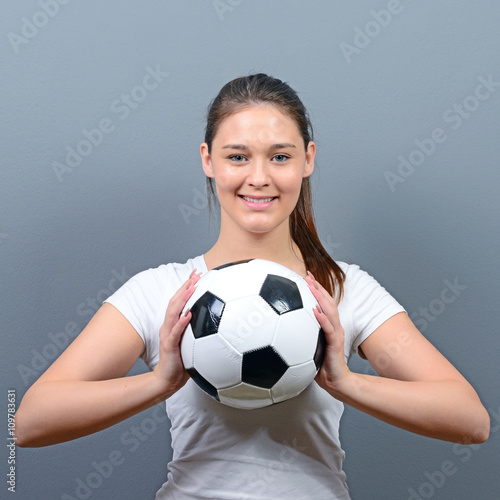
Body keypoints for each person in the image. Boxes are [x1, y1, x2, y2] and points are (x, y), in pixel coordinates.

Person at [15, 74, 490, 499]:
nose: (258, 178)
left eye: (280, 156)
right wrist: (159, 382)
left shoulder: (342, 290)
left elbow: (470, 420)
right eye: (237, 156)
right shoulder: (161, 292)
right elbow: (30, 423)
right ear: (209, 161)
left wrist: (347, 382)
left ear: (308, 160)